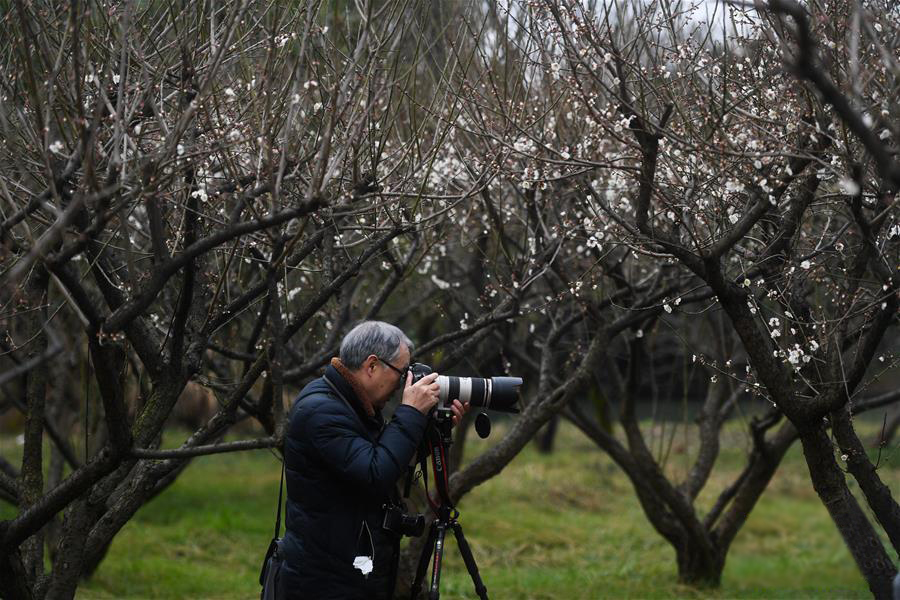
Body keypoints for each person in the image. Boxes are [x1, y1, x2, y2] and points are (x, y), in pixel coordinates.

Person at [281, 321, 467, 599]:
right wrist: (410, 413)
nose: (405, 382)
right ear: (371, 366)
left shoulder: (353, 405)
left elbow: (388, 462)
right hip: (325, 584)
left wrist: (430, 432)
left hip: (350, 573)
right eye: (402, 372)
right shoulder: (321, 411)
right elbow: (374, 473)